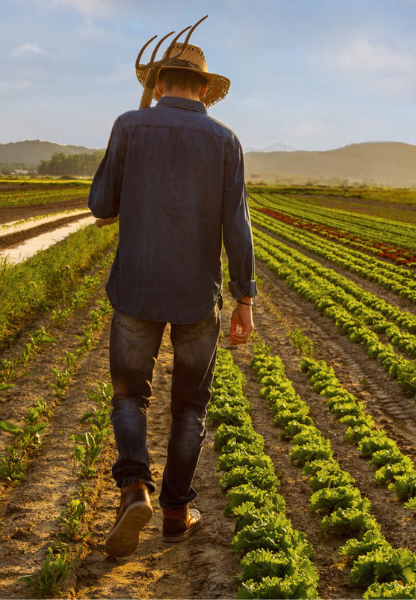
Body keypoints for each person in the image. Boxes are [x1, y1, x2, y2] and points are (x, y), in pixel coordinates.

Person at [88, 41, 256, 558]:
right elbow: (237, 226)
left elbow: (101, 205)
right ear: (205, 89)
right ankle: (176, 513)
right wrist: (244, 298)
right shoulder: (225, 139)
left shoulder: (128, 125)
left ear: (157, 84)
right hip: (195, 297)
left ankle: (133, 488)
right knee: (189, 406)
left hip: (136, 288)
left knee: (129, 396)